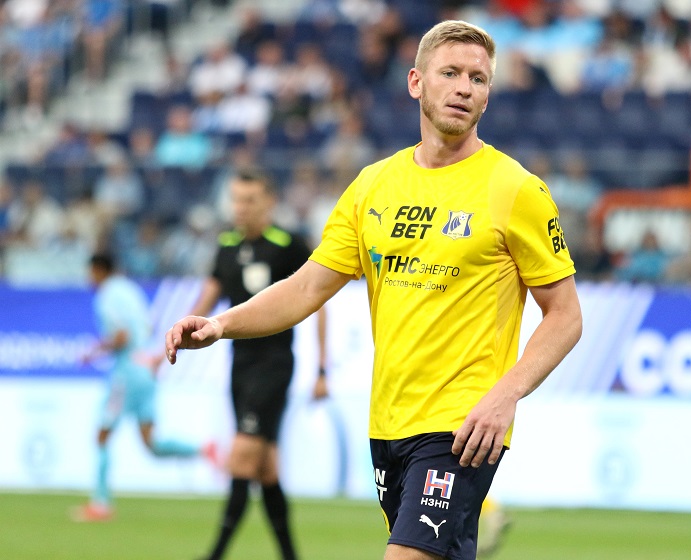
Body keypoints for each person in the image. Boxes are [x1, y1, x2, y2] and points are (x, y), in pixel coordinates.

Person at [165, 20, 582, 560]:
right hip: (388, 423)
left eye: (478, 79)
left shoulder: (516, 189)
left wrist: (506, 395)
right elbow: (306, 287)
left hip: (463, 426)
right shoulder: (372, 186)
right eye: (450, 73)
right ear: (415, 82)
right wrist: (220, 324)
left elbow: (565, 315)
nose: (463, 88)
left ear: (488, 94)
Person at [185, 168, 328, 560]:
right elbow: (210, 294)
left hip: (274, 365)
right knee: (266, 470)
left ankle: (213, 555)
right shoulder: (227, 244)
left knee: (242, 457)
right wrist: (182, 330)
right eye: (236, 199)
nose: (241, 208)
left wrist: (322, 369)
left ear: (269, 202)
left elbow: (318, 300)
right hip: (239, 365)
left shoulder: (288, 244)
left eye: (249, 200)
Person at [73, 252, 215, 522]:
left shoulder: (107, 295)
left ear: (99, 271)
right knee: (152, 442)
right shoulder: (130, 290)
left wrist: (93, 351)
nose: (88, 279)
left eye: (90, 273)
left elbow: (122, 335)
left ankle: (101, 503)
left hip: (127, 372)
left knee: (102, 435)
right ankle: (203, 449)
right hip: (146, 369)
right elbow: (147, 328)